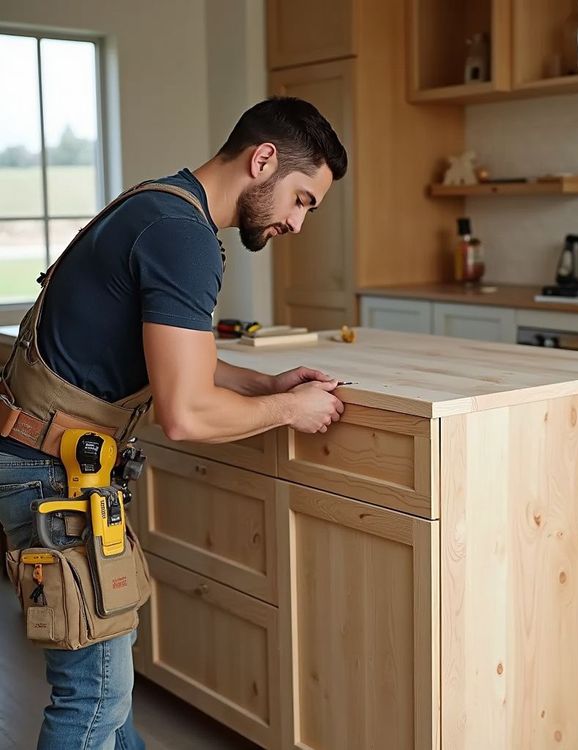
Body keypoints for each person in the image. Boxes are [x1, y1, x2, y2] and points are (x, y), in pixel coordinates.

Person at [0, 96, 348, 749]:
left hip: (45, 461)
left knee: (109, 688)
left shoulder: (156, 204)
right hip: (53, 474)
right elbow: (183, 413)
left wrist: (266, 383)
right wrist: (289, 410)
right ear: (263, 159)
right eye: (301, 199)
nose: (298, 223)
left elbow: (179, 364)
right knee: (94, 696)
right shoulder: (182, 236)